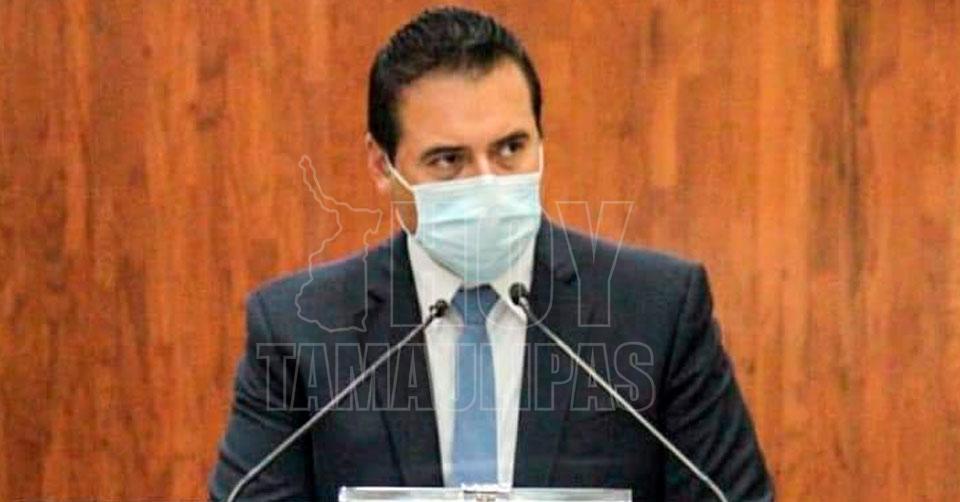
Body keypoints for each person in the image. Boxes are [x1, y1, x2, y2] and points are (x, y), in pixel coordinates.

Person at [209, 6, 774, 501]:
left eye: (510, 148)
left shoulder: (657, 311)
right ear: (382, 166)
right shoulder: (299, 330)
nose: (487, 181)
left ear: (540, 140)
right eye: (448, 160)